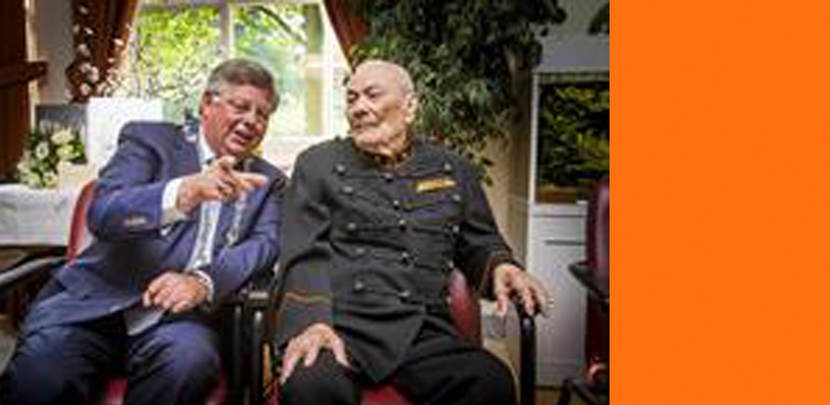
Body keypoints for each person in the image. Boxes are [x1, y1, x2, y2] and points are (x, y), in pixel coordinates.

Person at [1, 58, 286, 405]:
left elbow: (264, 245)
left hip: (179, 322)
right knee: (42, 371)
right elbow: (104, 213)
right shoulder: (150, 141)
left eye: (262, 114)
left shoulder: (267, 181)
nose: (252, 121)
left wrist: (202, 283)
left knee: (188, 362)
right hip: (93, 305)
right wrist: (183, 192)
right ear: (206, 104)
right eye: (240, 106)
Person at [273, 60, 552, 405]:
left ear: (410, 105)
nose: (359, 107)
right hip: (339, 324)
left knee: (490, 383)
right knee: (311, 385)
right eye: (352, 98)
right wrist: (312, 322)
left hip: (423, 328)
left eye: (372, 95)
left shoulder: (454, 169)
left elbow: (479, 242)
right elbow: (303, 254)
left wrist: (501, 265)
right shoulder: (317, 165)